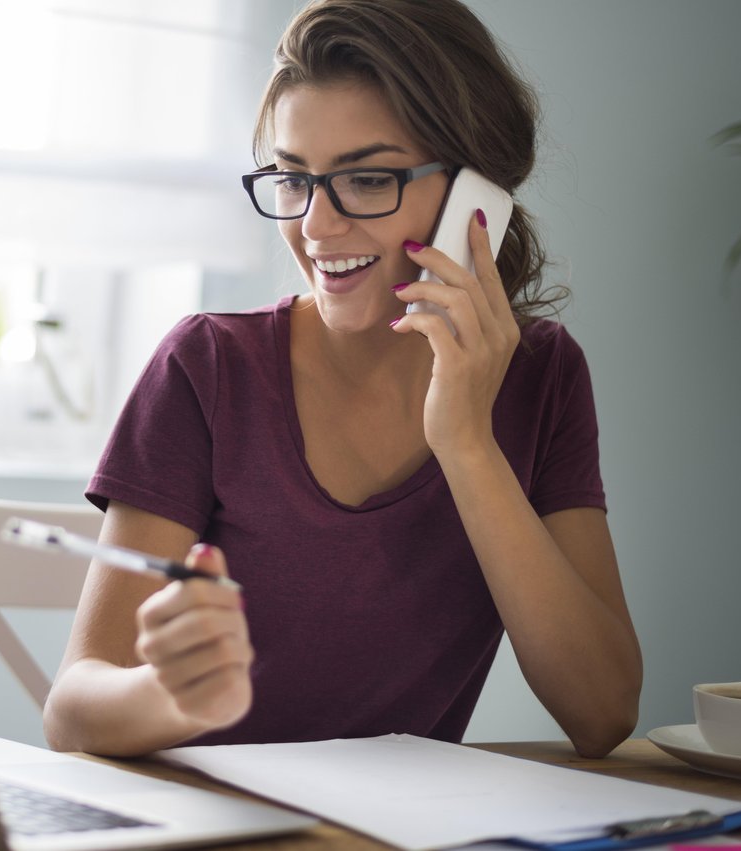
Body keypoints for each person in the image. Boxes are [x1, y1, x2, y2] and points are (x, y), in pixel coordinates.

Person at [43, 0, 642, 759]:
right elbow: (71, 709)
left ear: (476, 200)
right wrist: (170, 693)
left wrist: (465, 441)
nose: (317, 228)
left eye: (365, 179)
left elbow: (603, 710)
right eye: (293, 180)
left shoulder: (542, 376)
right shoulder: (208, 367)